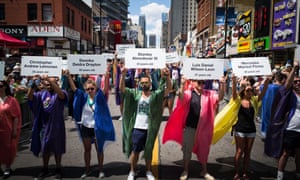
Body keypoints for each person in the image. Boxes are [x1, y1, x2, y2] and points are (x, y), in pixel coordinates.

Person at [162, 76, 225, 180]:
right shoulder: (189, 93)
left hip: (204, 128)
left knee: (204, 150)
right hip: (190, 127)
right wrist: (182, 84)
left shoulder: (208, 94)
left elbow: (220, 98)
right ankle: (185, 170)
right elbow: (181, 97)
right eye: (198, 82)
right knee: (187, 151)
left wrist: (222, 84)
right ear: (193, 82)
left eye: (203, 82)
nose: (201, 84)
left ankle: (204, 171)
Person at [120, 66, 171, 180]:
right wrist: (122, 75)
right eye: (142, 83)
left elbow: (168, 89)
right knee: (135, 151)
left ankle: (148, 171)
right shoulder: (135, 94)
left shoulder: (155, 95)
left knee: (149, 151)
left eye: (146, 82)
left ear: (150, 84)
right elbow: (123, 89)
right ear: (139, 84)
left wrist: (167, 77)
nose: (144, 84)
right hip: (137, 127)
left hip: (150, 128)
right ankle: (132, 171)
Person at [66, 68, 115, 179]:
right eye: (88, 89)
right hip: (86, 126)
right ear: (85, 89)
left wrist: (106, 76)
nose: (90, 90)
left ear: (95, 88)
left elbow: (106, 88)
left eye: (92, 88)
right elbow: (74, 88)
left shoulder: (100, 96)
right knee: (87, 149)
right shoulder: (83, 97)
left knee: (99, 149)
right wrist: (69, 76)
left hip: (97, 127)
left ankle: (101, 170)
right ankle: (87, 169)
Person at [27, 75, 68, 180]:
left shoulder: (61, 92)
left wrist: (50, 80)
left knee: (58, 148)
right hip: (44, 126)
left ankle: (58, 168)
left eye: (51, 84)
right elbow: (30, 97)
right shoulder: (41, 94)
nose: (49, 85)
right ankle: (45, 168)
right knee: (45, 148)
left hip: (57, 125)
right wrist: (32, 84)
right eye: (47, 83)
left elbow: (62, 96)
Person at [265, 62, 300, 180]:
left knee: (299, 155)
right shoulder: (289, 93)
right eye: (295, 82)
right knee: (286, 153)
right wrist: (294, 68)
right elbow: (288, 84)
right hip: (291, 128)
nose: (298, 83)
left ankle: (298, 173)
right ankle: (280, 175)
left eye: (299, 81)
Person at [231, 75, 270, 180]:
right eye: (247, 90)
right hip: (240, 130)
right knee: (239, 151)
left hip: (251, 130)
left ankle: (244, 173)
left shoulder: (254, 101)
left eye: (251, 90)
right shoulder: (238, 100)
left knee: (248, 153)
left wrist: (267, 81)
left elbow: (263, 92)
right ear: (244, 91)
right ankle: (237, 172)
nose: (249, 92)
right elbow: (234, 93)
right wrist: (234, 81)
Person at [0, 80, 22, 179]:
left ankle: (8, 168)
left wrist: (14, 130)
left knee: (8, 149)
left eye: (0, 85)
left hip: (7, 129)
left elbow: (16, 116)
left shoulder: (12, 100)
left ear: (4, 87)